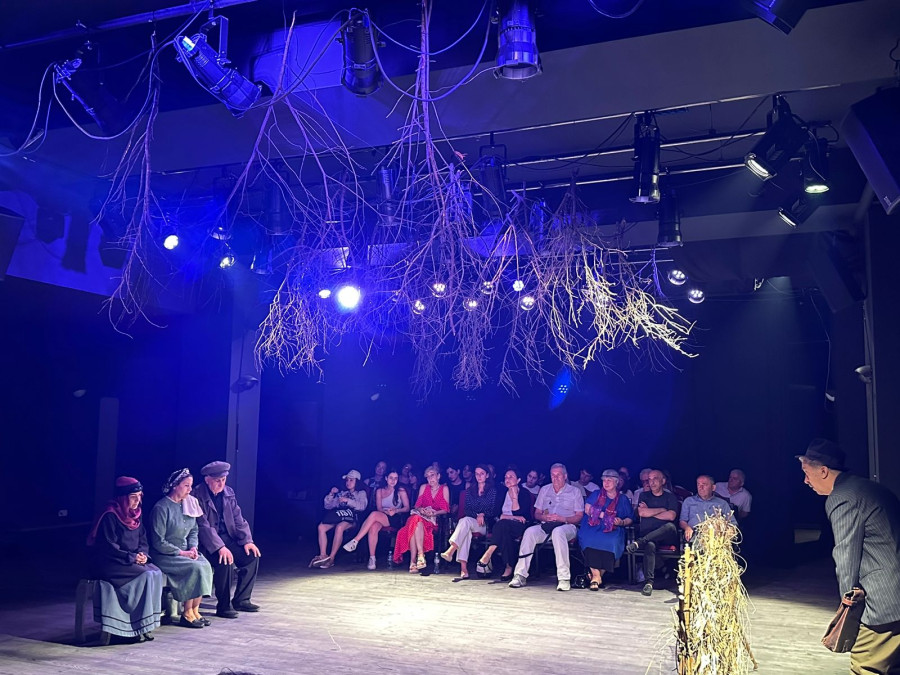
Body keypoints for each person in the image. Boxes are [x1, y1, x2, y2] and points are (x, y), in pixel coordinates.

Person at [798, 439, 900, 673]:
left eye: (807, 473)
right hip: (894, 597)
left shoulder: (843, 497)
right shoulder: (870, 488)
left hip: (885, 602)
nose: (805, 481)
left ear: (823, 471)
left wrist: (848, 607)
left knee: (865, 666)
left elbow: (846, 556)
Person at [86, 476, 163, 642]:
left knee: (156, 573)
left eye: (139, 497)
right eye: (133, 497)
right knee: (145, 575)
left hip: (130, 560)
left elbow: (143, 539)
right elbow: (109, 547)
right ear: (123, 498)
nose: (137, 501)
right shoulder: (110, 515)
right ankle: (130, 628)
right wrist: (132, 557)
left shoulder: (136, 515)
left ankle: (146, 625)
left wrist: (143, 555)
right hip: (111, 562)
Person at [193, 461, 261, 619]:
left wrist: (247, 541)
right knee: (225, 561)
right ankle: (223, 606)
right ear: (207, 479)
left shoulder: (228, 492)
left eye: (223, 480)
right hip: (208, 543)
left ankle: (242, 599)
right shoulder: (197, 496)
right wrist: (220, 547)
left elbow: (238, 519)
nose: (221, 484)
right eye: (217, 480)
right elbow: (203, 526)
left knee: (251, 556)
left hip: (228, 538)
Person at [150, 468, 214, 628]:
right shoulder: (161, 508)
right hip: (166, 555)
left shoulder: (190, 503)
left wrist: (193, 548)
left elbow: (194, 530)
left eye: (191, 485)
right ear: (175, 486)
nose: (190, 489)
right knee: (195, 568)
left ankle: (195, 610)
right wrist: (181, 552)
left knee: (205, 565)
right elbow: (158, 541)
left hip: (186, 552)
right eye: (186, 485)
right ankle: (186, 613)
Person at [508, 463, 584, 592]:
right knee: (530, 532)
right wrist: (545, 517)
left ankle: (564, 578)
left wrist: (562, 518)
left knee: (558, 532)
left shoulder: (575, 491)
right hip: (547, 525)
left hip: (568, 526)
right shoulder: (544, 489)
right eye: (552, 475)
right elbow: (537, 514)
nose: (555, 478)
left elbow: (579, 516)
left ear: (565, 476)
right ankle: (520, 575)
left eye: (558, 475)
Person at [626, 469, 680, 597]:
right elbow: (642, 513)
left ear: (663, 481)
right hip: (649, 534)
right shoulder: (644, 496)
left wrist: (650, 512)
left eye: (655, 478)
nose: (652, 482)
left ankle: (639, 543)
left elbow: (671, 516)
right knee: (650, 545)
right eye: (649, 479)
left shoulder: (670, 497)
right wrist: (662, 510)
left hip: (666, 536)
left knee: (670, 526)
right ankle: (649, 583)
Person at [578, 469, 634, 591]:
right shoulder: (596, 494)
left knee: (611, 542)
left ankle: (596, 577)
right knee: (590, 539)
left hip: (613, 529)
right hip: (593, 526)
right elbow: (587, 509)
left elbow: (630, 518)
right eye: (604, 480)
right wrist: (605, 516)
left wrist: (621, 522)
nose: (606, 483)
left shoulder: (623, 499)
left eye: (609, 480)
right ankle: (597, 576)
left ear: (617, 482)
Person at [343, 469, 410, 569]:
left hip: (395, 517)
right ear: (386, 478)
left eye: (395, 478)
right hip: (382, 515)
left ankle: (355, 540)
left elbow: (407, 508)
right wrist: (386, 511)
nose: (393, 481)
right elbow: (379, 508)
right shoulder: (380, 490)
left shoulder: (401, 491)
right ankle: (372, 558)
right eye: (391, 478)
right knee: (373, 526)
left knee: (374, 514)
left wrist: (396, 510)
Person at [476, 468, 534, 581]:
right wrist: (513, 517)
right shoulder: (501, 493)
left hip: (520, 525)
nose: (507, 479)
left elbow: (521, 514)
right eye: (506, 477)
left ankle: (489, 553)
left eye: (511, 477)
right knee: (504, 532)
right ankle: (509, 566)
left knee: (502, 526)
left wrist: (514, 497)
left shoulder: (525, 493)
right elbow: (498, 514)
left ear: (518, 480)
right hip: (504, 525)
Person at [441, 465, 497, 580]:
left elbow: (493, 510)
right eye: (477, 474)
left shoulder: (492, 491)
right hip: (471, 521)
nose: (479, 476)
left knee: (465, 522)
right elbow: (467, 510)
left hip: (485, 524)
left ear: (487, 475)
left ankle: (451, 550)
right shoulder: (470, 490)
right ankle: (464, 569)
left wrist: (483, 514)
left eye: (482, 473)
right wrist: (477, 515)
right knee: (466, 527)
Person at [392, 466, 450, 572]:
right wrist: (421, 510)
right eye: (428, 476)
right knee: (416, 520)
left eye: (432, 475)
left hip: (432, 520)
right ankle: (420, 556)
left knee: (414, 525)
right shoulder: (423, 487)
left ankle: (413, 562)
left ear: (438, 476)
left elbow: (445, 509)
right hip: (419, 516)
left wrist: (434, 513)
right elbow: (417, 506)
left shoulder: (444, 488)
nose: (430, 478)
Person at [310, 470, 368, 569]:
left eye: (351, 480)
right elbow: (328, 506)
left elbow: (362, 506)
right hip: (339, 516)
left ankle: (331, 558)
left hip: (352, 518)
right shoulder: (343, 493)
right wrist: (331, 494)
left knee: (340, 527)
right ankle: (323, 556)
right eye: (347, 480)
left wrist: (348, 501)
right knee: (321, 527)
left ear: (357, 481)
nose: (348, 482)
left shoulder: (361, 493)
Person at [679, 475, 733, 543]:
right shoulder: (688, 501)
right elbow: (682, 521)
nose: (700, 487)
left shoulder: (722, 503)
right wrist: (687, 528)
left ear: (713, 487)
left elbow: (732, 524)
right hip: (693, 535)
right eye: (698, 484)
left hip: (715, 537)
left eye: (704, 484)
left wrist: (726, 533)